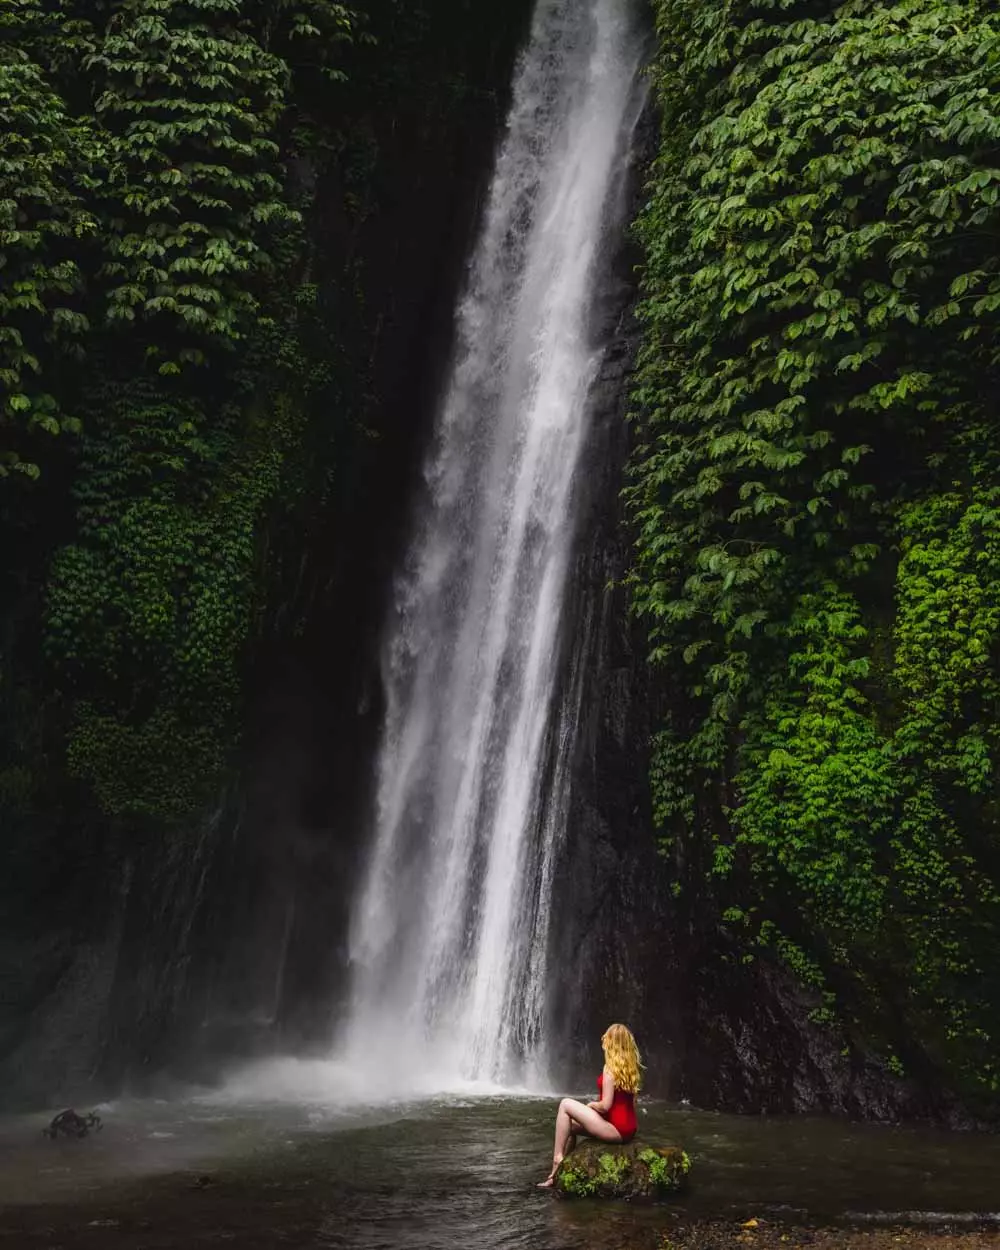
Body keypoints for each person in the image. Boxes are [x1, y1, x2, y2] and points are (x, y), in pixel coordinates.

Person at [536, 1022, 642, 1188]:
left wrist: (593, 1105)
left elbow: (606, 1106)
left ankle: (557, 1158)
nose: (603, 1043)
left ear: (612, 1043)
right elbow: (629, 1103)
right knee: (568, 1126)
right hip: (628, 1129)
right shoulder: (630, 1069)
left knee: (565, 1104)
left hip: (614, 1129)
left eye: (606, 1039)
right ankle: (556, 1176)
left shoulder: (610, 1070)